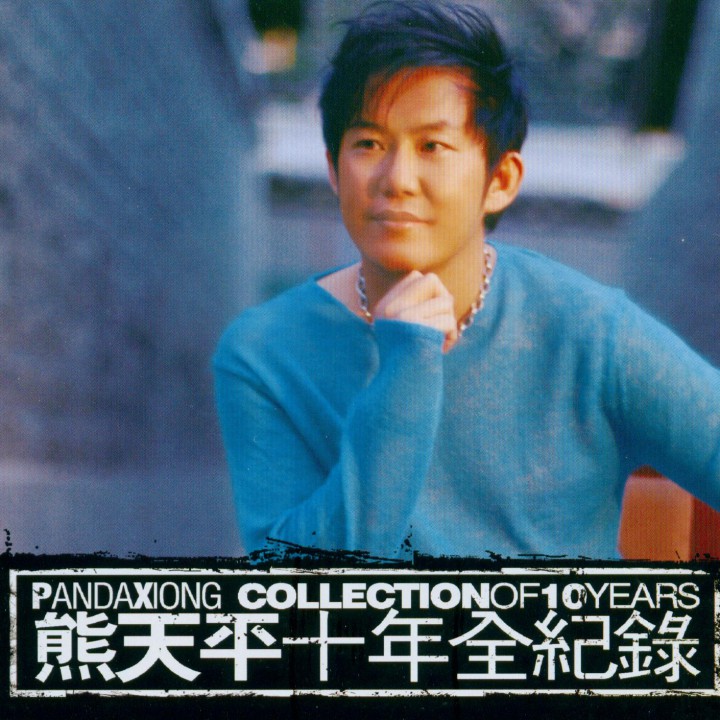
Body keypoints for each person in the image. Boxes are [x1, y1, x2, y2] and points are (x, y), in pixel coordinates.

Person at [213, 1, 720, 559]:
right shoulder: (264, 352)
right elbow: (298, 583)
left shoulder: (590, 331)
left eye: (432, 146)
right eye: (369, 144)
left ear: (500, 180)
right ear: (335, 170)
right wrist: (405, 369)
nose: (397, 179)